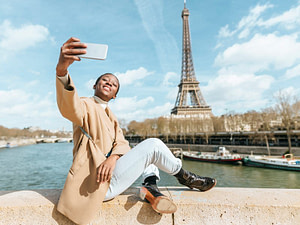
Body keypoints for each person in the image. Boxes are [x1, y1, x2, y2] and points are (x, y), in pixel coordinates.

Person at [56, 37, 216, 225]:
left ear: (115, 95)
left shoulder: (111, 116)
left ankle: (150, 185)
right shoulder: (85, 105)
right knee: (153, 145)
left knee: (142, 151)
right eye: (104, 80)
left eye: (113, 84)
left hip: (110, 175)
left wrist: (113, 158)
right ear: (94, 86)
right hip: (96, 184)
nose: (109, 83)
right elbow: (69, 107)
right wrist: (62, 70)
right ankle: (185, 177)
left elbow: (122, 143)